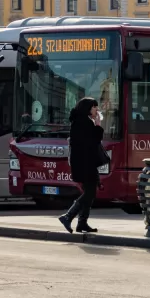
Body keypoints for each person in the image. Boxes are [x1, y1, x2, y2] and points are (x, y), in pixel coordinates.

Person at [58, 97, 106, 234]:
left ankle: (82, 223)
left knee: (90, 193)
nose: (97, 110)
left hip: (85, 162)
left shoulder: (81, 121)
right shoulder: (83, 123)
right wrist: (98, 126)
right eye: (94, 107)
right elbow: (93, 142)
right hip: (84, 163)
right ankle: (68, 216)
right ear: (88, 108)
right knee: (89, 192)